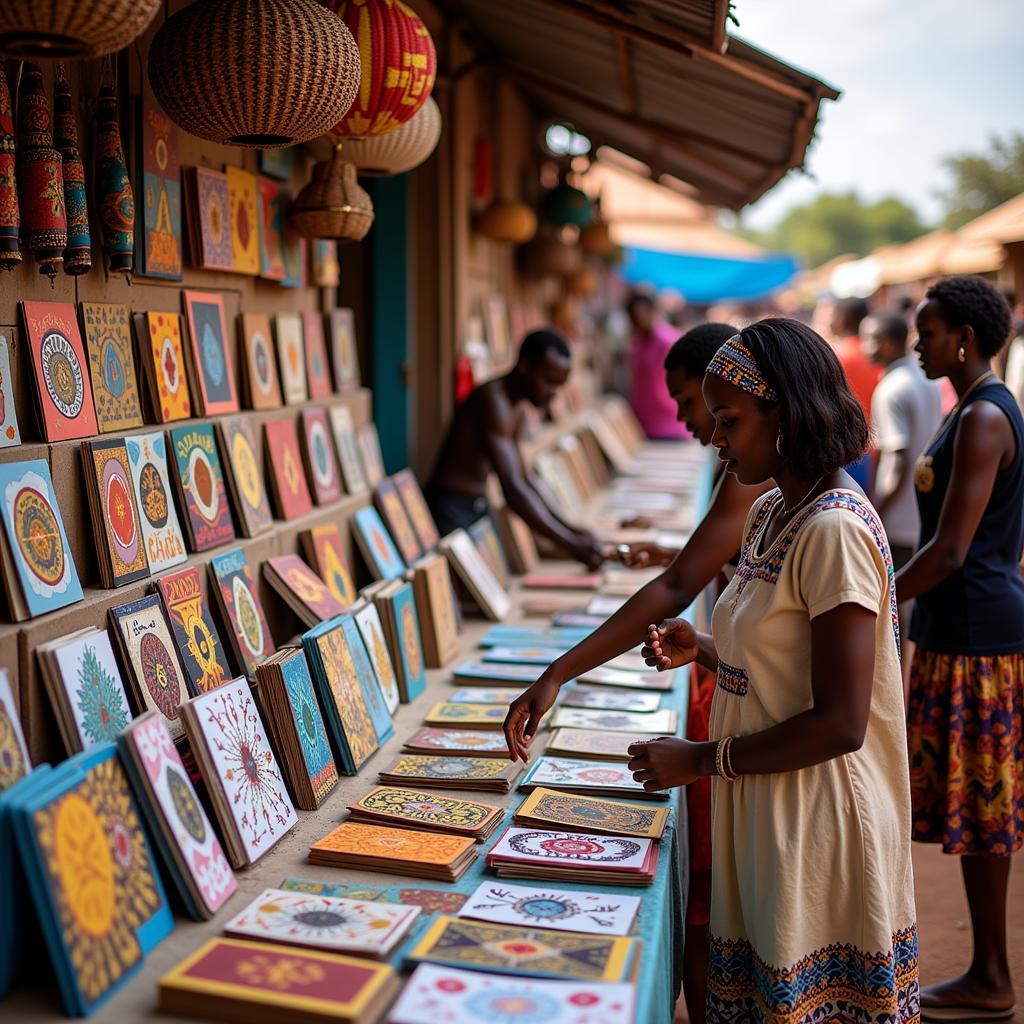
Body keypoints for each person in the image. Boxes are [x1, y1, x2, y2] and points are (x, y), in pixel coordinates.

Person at [505, 319, 920, 1023]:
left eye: (728, 419)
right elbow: (781, 664)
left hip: (816, 817)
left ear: (784, 414)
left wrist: (699, 757)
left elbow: (843, 723)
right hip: (766, 805)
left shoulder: (834, 529)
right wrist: (704, 645)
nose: (717, 439)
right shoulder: (769, 513)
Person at [563, 321, 770, 1024]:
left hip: (745, 712)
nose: (692, 424)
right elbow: (695, 564)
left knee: (710, 883)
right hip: (725, 672)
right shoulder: (752, 469)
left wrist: (559, 673)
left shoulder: (784, 489)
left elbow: (685, 578)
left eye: (703, 409)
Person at [896, 275, 1023, 1022]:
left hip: (978, 635)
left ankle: (992, 974)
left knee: (985, 808)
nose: (919, 344)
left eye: (929, 331)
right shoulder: (970, 409)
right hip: (961, 627)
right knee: (977, 811)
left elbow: (948, 551)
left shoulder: (983, 418)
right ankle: (988, 969)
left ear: (964, 338)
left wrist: (875, 597)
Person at [424, 328, 608, 569]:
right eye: (548, 381)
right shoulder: (492, 400)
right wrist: (571, 544)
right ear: (524, 366)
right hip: (449, 507)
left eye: (558, 385)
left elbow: (526, 479)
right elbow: (513, 489)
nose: (553, 393)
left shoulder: (518, 409)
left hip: (475, 505)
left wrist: (572, 529)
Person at [862, 312, 942, 638]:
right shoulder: (924, 379)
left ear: (888, 343)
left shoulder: (892, 387)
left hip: (896, 519)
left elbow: (897, 460)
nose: (865, 346)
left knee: (891, 610)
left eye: (870, 338)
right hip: (918, 511)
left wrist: (873, 512)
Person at [831, 296, 881, 489]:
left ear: (844, 318)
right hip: (873, 450)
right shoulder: (873, 353)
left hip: (845, 451)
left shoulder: (836, 355)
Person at [626, 292, 689, 441]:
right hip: (645, 423)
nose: (638, 319)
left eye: (642, 313)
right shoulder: (637, 341)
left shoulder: (668, 341)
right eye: (633, 316)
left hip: (672, 424)